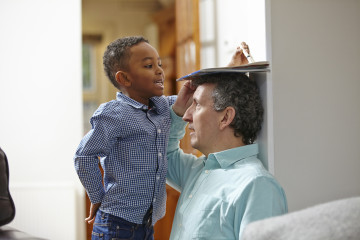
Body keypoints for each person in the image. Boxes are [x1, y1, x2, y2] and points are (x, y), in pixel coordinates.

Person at [74, 35, 250, 240]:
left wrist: (229, 67)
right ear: (125, 79)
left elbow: (203, 95)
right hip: (116, 224)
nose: (159, 70)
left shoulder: (163, 107)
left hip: (146, 223)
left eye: (159, 64)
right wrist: (97, 196)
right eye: (148, 66)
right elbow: (83, 156)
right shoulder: (113, 114)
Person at [166, 72, 288, 240]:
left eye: (197, 105)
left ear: (225, 117)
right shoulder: (195, 172)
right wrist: (177, 112)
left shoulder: (256, 186)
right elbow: (161, 155)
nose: (186, 116)